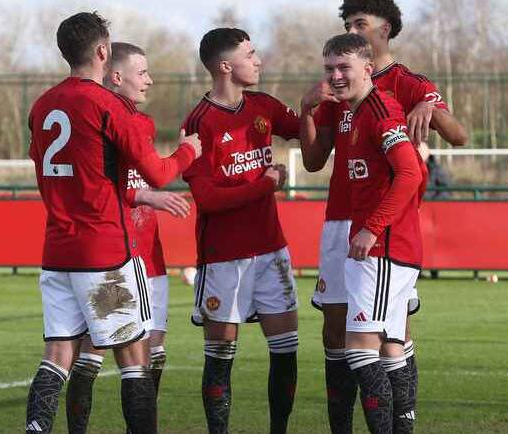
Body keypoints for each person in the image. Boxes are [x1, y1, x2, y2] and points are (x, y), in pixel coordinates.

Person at [26, 13, 199, 434]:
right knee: (134, 361)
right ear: (103, 52)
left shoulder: (43, 103)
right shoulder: (107, 105)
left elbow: (51, 166)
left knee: (56, 357)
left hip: (57, 253)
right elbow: (158, 173)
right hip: (103, 256)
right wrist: (187, 151)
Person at [309, 2, 470, 430]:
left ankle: (399, 423)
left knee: (386, 336)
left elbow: (458, 135)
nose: (353, 29)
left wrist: (429, 110)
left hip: (384, 226)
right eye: (347, 24)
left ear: (386, 29)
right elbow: (312, 160)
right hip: (340, 217)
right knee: (337, 332)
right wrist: (308, 110)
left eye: (360, 23)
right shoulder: (337, 85)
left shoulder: (404, 85)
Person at [64, 41, 194, 434]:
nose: (150, 81)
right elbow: (99, 187)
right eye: (143, 73)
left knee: (153, 349)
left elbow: (136, 179)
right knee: (93, 352)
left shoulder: (144, 123)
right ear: (115, 76)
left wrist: (146, 194)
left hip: (149, 256)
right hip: (113, 254)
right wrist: (178, 162)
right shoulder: (95, 121)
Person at [301, 33, 422, 433]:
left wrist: (371, 229)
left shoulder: (381, 109)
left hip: (384, 249)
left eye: (344, 68)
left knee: (360, 351)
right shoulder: (355, 111)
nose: (335, 76)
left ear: (368, 69)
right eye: (330, 69)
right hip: (376, 249)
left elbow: (410, 173)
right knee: (388, 351)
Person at [183, 28, 300, 434]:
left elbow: (312, 134)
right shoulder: (199, 123)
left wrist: (317, 104)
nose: (259, 60)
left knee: (286, 352)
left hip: (271, 250)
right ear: (226, 66)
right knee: (220, 356)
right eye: (250, 54)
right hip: (223, 257)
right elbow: (208, 199)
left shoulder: (266, 105)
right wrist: (264, 186)